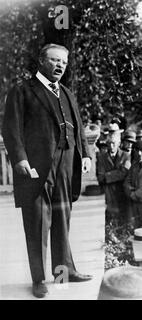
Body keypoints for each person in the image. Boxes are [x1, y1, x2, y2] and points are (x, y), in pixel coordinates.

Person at [2, 43, 93, 298]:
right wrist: (19, 158)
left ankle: (64, 271)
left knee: (62, 218)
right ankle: (39, 279)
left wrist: (84, 154)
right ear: (42, 61)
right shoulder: (22, 91)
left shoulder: (67, 92)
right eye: (54, 61)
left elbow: (78, 126)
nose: (60, 66)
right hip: (35, 166)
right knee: (38, 222)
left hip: (66, 163)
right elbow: (11, 128)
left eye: (63, 62)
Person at [96, 134, 131, 226]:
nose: (112, 146)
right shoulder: (101, 157)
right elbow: (100, 177)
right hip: (108, 193)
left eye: (114, 143)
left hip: (122, 191)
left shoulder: (126, 156)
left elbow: (125, 173)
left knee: (123, 217)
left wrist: (107, 176)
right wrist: (117, 173)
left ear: (119, 143)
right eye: (109, 143)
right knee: (110, 217)